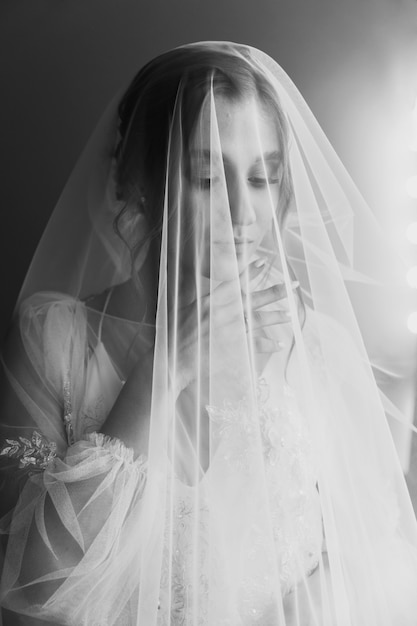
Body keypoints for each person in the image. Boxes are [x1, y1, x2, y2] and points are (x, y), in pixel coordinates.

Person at [0, 41, 417, 626]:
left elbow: (372, 563)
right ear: (139, 182)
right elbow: (28, 588)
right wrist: (162, 375)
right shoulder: (54, 342)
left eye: (263, 177)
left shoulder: (316, 348)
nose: (244, 215)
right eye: (206, 176)